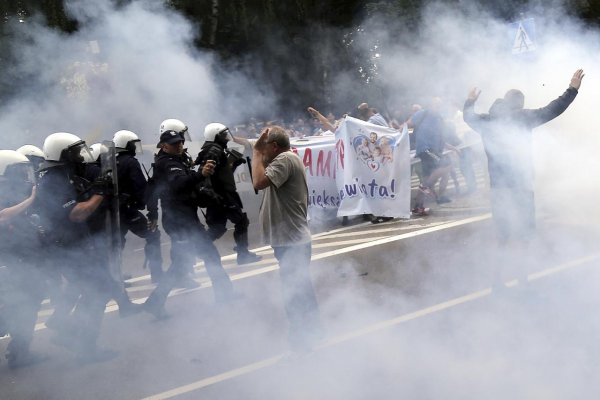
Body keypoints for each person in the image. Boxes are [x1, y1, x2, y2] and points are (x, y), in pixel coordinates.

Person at [463, 69, 584, 290]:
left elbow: (468, 117)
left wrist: (470, 102)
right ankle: (523, 280)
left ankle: (497, 283)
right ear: (519, 104)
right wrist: (572, 89)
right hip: (521, 187)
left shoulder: (486, 121)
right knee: (525, 236)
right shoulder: (522, 117)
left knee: (502, 237)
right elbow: (553, 109)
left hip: (499, 188)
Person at [35, 132, 116, 362]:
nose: (81, 157)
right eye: (76, 152)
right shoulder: (54, 182)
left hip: (75, 245)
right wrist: (99, 194)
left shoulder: (65, 176)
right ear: (63, 154)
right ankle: (83, 345)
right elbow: (77, 214)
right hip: (67, 247)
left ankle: (69, 330)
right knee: (98, 289)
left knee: (96, 288)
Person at [143, 119, 235, 319]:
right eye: (175, 143)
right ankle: (224, 295)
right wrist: (200, 174)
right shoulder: (166, 163)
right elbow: (179, 184)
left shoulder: (176, 160)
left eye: (180, 142)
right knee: (208, 257)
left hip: (184, 219)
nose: (179, 145)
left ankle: (155, 302)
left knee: (182, 265)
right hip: (180, 222)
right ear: (164, 146)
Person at [251, 125, 322, 352]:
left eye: (265, 147)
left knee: (294, 294)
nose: (263, 151)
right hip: (292, 240)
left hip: (292, 242)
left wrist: (255, 153)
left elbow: (258, 182)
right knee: (301, 290)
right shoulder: (287, 159)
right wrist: (261, 153)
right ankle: (312, 334)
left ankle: (302, 344)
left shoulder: (284, 160)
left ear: (274, 146)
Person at [0, 150, 47, 368]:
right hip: (10, 261)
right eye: (19, 170)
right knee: (15, 306)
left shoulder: (14, 189)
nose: (24, 174)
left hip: (24, 259)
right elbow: (2, 215)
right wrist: (30, 200)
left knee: (29, 302)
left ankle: (20, 352)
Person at [196, 122, 261, 265]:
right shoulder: (214, 150)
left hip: (220, 195)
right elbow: (205, 175)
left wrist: (233, 164)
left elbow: (219, 175)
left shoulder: (216, 149)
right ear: (216, 136)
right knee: (241, 221)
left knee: (217, 228)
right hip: (222, 195)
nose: (226, 137)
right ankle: (242, 255)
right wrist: (213, 195)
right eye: (223, 135)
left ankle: (196, 249)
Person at [113, 130, 164, 284]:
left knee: (117, 244)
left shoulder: (113, 162)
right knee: (153, 235)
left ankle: (114, 278)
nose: (135, 147)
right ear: (126, 145)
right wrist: (146, 201)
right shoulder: (130, 162)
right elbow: (140, 186)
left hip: (116, 211)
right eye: (133, 144)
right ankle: (157, 274)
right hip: (129, 211)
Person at [407, 97, 456, 215]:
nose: (438, 107)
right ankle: (426, 186)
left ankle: (418, 206)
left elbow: (441, 139)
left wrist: (453, 148)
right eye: (436, 104)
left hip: (434, 150)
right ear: (430, 105)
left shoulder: (439, 119)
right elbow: (407, 124)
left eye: (439, 105)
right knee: (447, 164)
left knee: (427, 177)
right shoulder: (423, 113)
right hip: (426, 149)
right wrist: (394, 132)